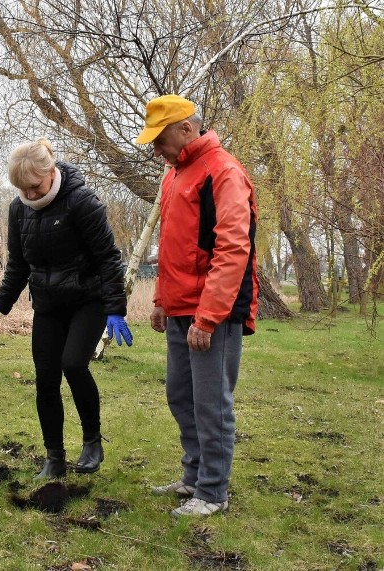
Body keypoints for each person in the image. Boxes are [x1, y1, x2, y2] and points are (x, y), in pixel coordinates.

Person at [0, 139, 132, 480]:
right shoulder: (18, 210)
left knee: (74, 364)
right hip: (48, 305)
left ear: (50, 173)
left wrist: (115, 309)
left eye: (34, 187)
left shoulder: (81, 202)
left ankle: (92, 441)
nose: (30, 196)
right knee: (46, 380)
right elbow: (18, 265)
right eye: (22, 190)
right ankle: (54, 457)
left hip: (86, 301)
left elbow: (108, 257)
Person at [135, 94, 259, 518]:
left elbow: (232, 249)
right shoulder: (175, 175)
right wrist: (160, 301)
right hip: (179, 308)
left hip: (213, 313)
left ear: (186, 129)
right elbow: (174, 247)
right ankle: (193, 475)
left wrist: (208, 317)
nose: (155, 150)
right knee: (180, 397)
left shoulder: (223, 172)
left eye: (160, 139)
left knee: (211, 404)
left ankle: (212, 492)